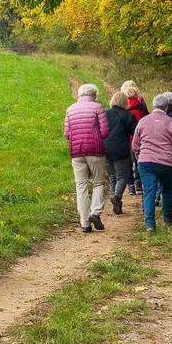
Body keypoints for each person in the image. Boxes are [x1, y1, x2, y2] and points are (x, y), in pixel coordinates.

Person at [131, 94, 172, 231]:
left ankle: (150, 224)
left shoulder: (143, 122)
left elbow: (135, 145)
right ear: (167, 107)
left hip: (146, 162)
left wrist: (139, 156)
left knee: (149, 192)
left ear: (152, 106)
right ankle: (167, 218)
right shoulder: (171, 123)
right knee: (166, 190)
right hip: (167, 163)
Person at [64, 84, 111, 233]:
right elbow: (104, 132)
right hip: (95, 151)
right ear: (93, 95)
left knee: (81, 186)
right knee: (98, 183)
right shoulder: (98, 107)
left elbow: (67, 134)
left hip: (76, 151)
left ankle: (84, 224)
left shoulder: (70, 109)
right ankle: (95, 213)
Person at [103, 91, 138, 215]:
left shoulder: (105, 114)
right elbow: (136, 133)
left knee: (113, 177)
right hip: (121, 149)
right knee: (122, 176)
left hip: (105, 148)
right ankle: (117, 196)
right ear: (125, 102)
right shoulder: (128, 116)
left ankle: (116, 201)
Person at [121, 81, 148, 194]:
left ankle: (130, 185)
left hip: (126, 137)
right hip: (139, 137)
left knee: (127, 162)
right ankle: (138, 181)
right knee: (138, 160)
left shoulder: (123, 107)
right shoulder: (141, 106)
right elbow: (147, 119)